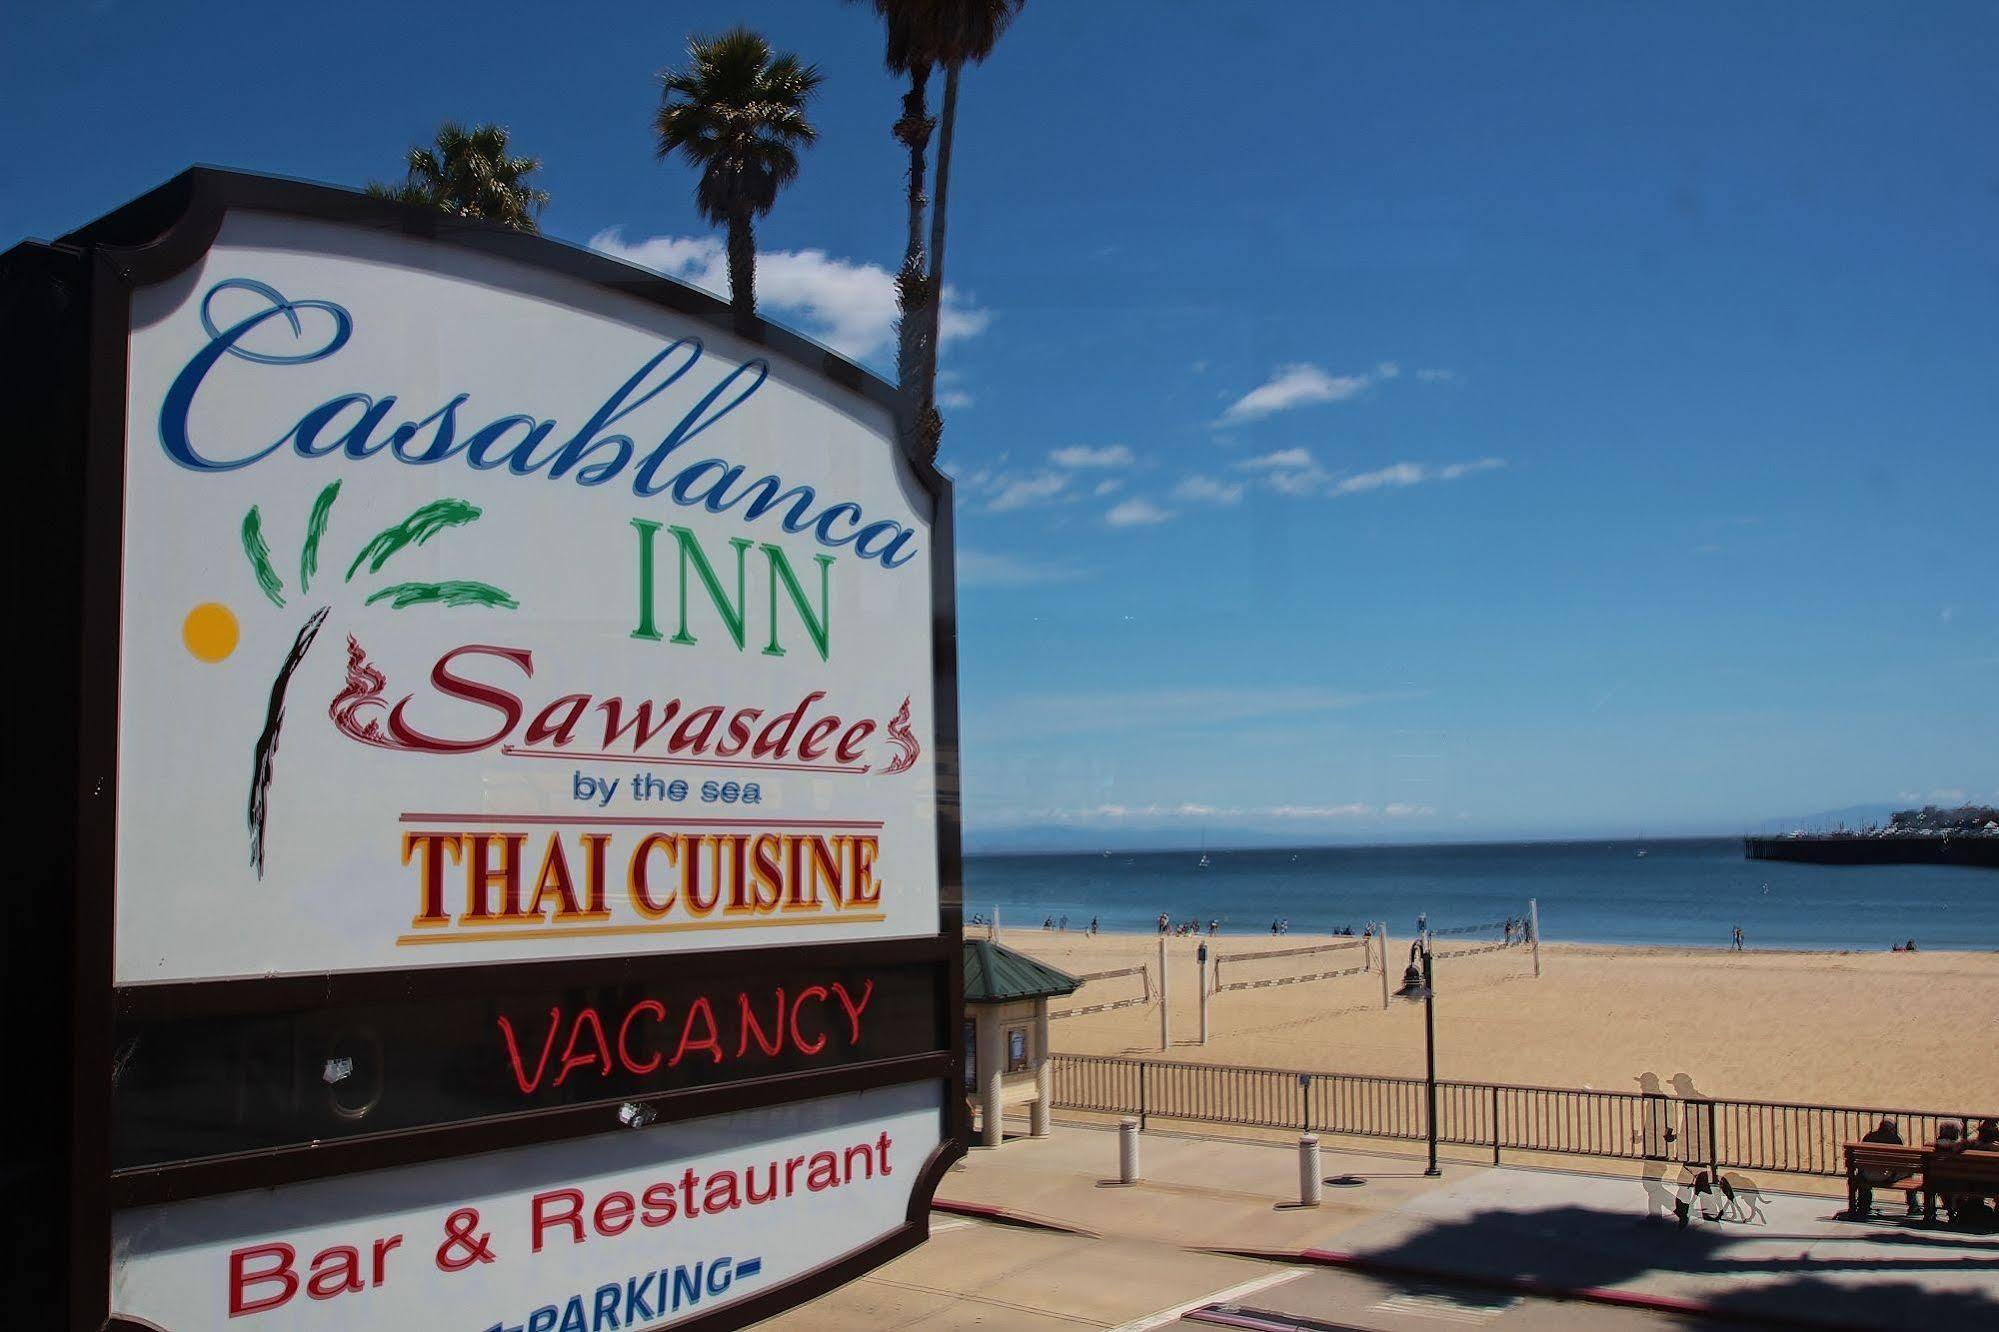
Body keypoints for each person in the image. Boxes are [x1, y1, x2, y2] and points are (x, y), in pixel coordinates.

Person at [1855, 1117, 1919, 1218]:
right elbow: (1900, 1163)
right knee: (1909, 1174)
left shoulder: (1869, 1137)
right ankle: (1913, 1205)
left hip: (1866, 1175)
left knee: (1862, 1177)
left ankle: (1864, 1204)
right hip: (1888, 1177)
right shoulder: (1895, 1139)